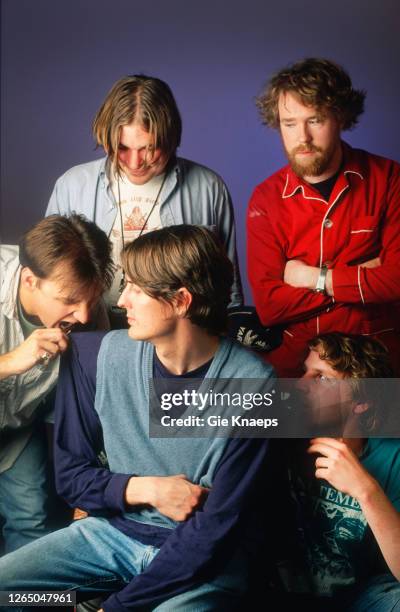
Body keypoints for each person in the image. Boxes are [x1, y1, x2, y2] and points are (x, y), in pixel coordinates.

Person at [0, 225, 274, 611]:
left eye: (138, 289)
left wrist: (116, 607)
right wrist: (145, 489)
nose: (121, 301)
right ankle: (68, 603)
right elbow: (71, 478)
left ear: (180, 301)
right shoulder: (93, 355)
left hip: (202, 564)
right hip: (112, 538)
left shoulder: (258, 387)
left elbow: (214, 532)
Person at [247, 57, 400, 376]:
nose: (302, 137)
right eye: (289, 124)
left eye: (314, 120)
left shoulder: (390, 180)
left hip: (377, 360)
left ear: (340, 117)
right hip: (298, 363)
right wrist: (359, 280)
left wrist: (313, 278)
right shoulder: (266, 198)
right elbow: (270, 307)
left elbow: (396, 281)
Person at [46, 74, 243, 318]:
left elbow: (228, 292)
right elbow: (49, 283)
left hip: (176, 339)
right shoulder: (71, 186)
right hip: (91, 328)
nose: (135, 162)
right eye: (122, 148)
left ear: (171, 138)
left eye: (149, 149)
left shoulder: (209, 188)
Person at [0, 214, 114, 553]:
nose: (83, 315)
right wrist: (10, 362)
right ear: (30, 280)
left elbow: (97, 404)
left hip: (17, 435)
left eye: (90, 300)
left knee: (34, 528)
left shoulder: (90, 316)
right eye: (69, 301)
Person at [273, 333, 400, 611]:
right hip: (281, 592)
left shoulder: (392, 457)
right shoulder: (277, 440)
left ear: (361, 401)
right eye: (304, 372)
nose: (300, 385)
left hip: (361, 596)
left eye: (321, 379)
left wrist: (366, 491)